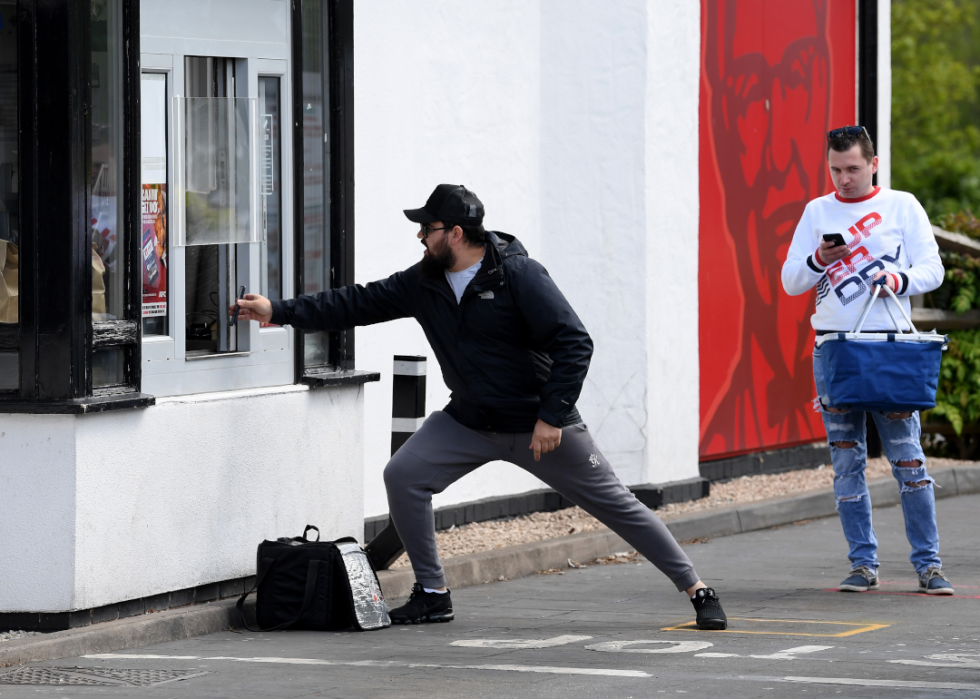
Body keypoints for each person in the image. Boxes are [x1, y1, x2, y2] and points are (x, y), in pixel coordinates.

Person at [236, 184, 729, 629]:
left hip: (539, 426)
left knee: (619, 506)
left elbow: (575, 341)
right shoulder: (423, 281)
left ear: (454, 232)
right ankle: (433, 594)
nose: (420, 239)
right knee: (404, 475)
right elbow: (356, 303)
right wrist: (279, 311)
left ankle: (697, 589)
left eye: (425, 230)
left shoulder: (518, 275)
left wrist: (552, 416)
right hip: (471, 420)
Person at [781, 127, 953, 595]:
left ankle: (929, 565)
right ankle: (862, 564)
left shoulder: (902, 205)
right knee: (846, 464)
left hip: (891, 348)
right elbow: (791, 280)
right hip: (835, 349)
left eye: (853, 168)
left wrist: (897, 280)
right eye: (835, 169)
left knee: (908, 460)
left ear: (873, 164)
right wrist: (818, 258)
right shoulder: (818, 211)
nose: (844, 179)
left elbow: (932, 269)